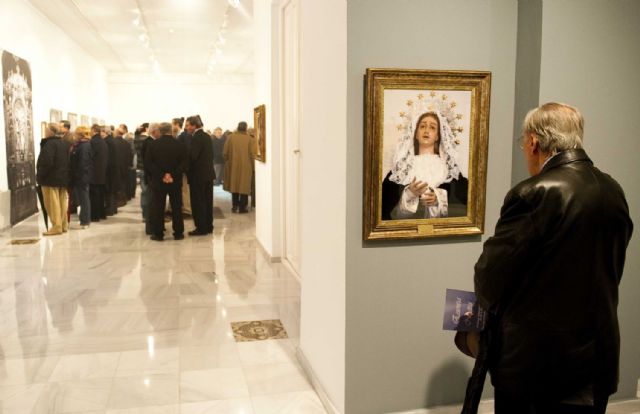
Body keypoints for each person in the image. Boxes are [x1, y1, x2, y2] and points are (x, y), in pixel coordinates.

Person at [471, 103, 633, 413]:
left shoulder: (533, 193)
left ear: (533, 142)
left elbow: (490, 278)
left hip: (537, 364)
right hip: (597, 357)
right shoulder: (613, 190)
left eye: (523, 143)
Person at [381, 110, 468, 220]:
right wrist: (409, 194)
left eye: (432, 127)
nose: (426, 131)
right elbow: (384, 209)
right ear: (416, 133)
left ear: (437, 136)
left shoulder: (449, 170)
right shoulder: (401, 169)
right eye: (422, 126)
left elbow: (464, 206)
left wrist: (439, 199)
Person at [145, 122, 188, 241]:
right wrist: (172, 174)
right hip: (175, 181)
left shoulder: (153, 145)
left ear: (160, 130)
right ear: (171, 130)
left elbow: (149, 163)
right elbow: (184, 163)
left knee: (159, 207)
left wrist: (163, 175)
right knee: (177, 207)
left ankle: (158, 234)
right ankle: (178, 233)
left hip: (159, 181)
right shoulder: (179, 144)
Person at [36, 123, 71, 236]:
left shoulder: (50, 144)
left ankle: (56, 227)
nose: (45, 131)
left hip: (50, 179)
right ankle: (63, 225)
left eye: (46, 130)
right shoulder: (63, 143)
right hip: (62, 178)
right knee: (62, 203)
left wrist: (40, 176)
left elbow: (47, 163)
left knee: (52, 204)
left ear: (51, 132)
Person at [185, 115, 214, 235]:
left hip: (198, 176)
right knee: (207, 201)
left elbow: (193, 156)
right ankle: (208, 226)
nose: (186, 128)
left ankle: (201, 228)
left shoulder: (196, 138)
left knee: (198, 202)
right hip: (208, 174)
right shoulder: (207, 136)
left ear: (194, 125)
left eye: (187, 125)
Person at [223, 121, 255, 213]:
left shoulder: (230, 137)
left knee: (235, 186)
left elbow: (225, 153)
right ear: (246, 128)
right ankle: (242, 208)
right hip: (246, 166)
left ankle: (234, 206)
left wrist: (228, 161)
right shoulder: (250, 139)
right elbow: (252, 154)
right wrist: (253, 168)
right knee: (244, 187)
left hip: (233, 166)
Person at [69, 126, 93, 229]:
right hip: (81, 176)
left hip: (82, 177)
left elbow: (83, 163)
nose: (74, 135)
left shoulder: (84, 146)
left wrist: (78, 176)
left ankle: (85, 221)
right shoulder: (81, 145)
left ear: (80, 134)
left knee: (84, 199)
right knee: (83, 198)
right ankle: (84, 220)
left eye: (76, 133)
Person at [89, 124, 108, 222]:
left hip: (94, 172)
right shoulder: (103, 142)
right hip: (102, 172)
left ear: (93, 130)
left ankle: (95, 216)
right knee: (100, 195)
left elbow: (90, 157)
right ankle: (102, 214)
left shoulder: (93, 142)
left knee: (94, 195)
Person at [114, 126, 133, 206]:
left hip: (116, 166)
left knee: (116, 184)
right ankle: (123, 199)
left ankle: (118, 200)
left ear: (117, 133)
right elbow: (130, 155)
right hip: (125, 166)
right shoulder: (127, 143)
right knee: (124, 183)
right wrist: (129, 164)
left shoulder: (113, 142)